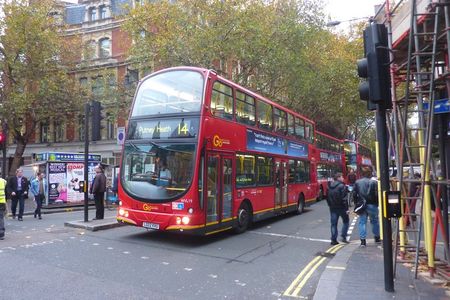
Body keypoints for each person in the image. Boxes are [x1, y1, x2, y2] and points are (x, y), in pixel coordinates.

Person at [354, 166, 380, 247]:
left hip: (362, 205)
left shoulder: (358, 182)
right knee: (374, 221)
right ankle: (377, 237)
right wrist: (377, 204)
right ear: (370, 173)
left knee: (362, 222)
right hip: (372, 204)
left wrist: (356, 204)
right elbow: (377, 195)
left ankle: (363, 241)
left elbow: (355, 195)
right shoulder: (374, 182)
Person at [326, 172, 349, 245]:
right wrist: (347, 209)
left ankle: (333, 240)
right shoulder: (342, 186)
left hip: (333, 208)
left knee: (333, 224)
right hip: (341, 207)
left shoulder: (329, 186)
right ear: (338, 178)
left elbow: (327, 197)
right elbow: (344, 199)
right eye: (342, 177)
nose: (343, 178)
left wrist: (330, 205)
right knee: (346, 221)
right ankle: (344, 236)